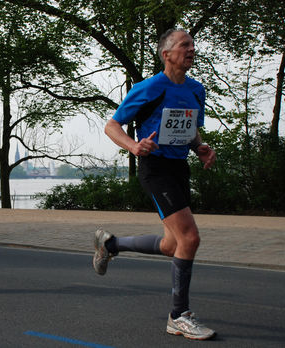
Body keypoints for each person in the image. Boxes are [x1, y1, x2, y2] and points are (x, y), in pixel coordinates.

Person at [94, 29, 217, 340]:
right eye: (184, 45)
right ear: (167, 54)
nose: (191, 49)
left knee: (172, 245)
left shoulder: (196, 90)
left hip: (179, 168)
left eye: (192, 44)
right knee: (190, 237)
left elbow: (189, 128)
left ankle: (111, 244)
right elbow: (112, 125)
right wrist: (134, 147)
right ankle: (179, 315)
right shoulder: (148, 88)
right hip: (156, 168)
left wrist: (199, 147)